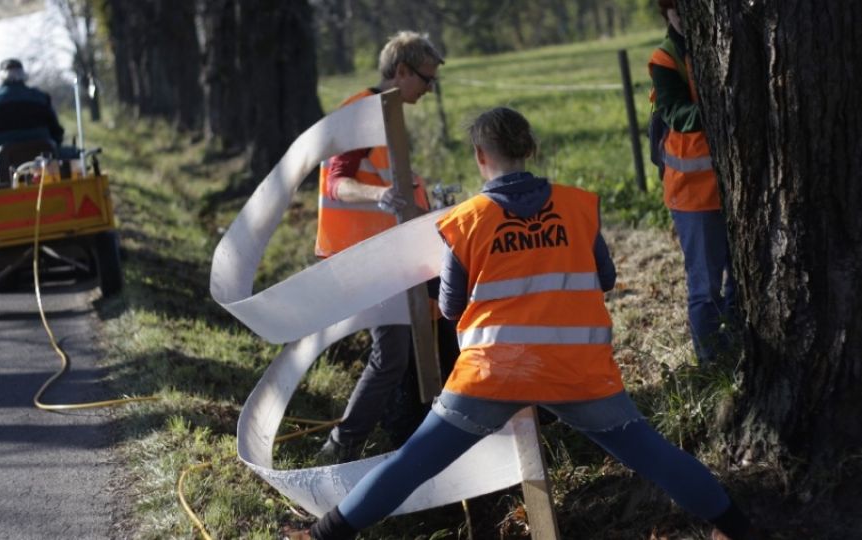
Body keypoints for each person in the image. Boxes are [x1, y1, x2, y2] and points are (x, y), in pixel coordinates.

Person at [301, 107, 754, 540]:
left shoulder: (466, 220)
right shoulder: (577, 207)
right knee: (655, 457)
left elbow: (453, 307)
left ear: (480, 156)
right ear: (529, 148)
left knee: (412, 464)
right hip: (578, 370)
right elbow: (607, 278)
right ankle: (739, 528)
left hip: (493, 374)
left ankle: (321, 534)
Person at [314, 31, 445, 462]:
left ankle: (420, 430)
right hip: (365, 255)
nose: (430, 89)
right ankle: (340, 448)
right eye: (426, 79)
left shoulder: (386, 112)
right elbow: (338, 180)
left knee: (420, 338)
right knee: (391, 355)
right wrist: (381, 196)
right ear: (402, 71)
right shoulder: (363, 112)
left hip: (390, 252)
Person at [648, 0, 737, 365]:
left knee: (741, 284)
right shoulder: (665, 59)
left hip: (732, 190)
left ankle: (738, 350)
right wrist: (723, 108)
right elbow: (675, 112)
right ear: (667, 12)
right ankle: (710, 363)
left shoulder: (727, 39)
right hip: (693, 195)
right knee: (706, 287)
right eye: (678, 11)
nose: (687, 18)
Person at [0, 58, 64, 183]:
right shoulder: (41, 98)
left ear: (0, 77)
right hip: (44, 172)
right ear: (23, 75)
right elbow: (57, 134)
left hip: (0, 175)